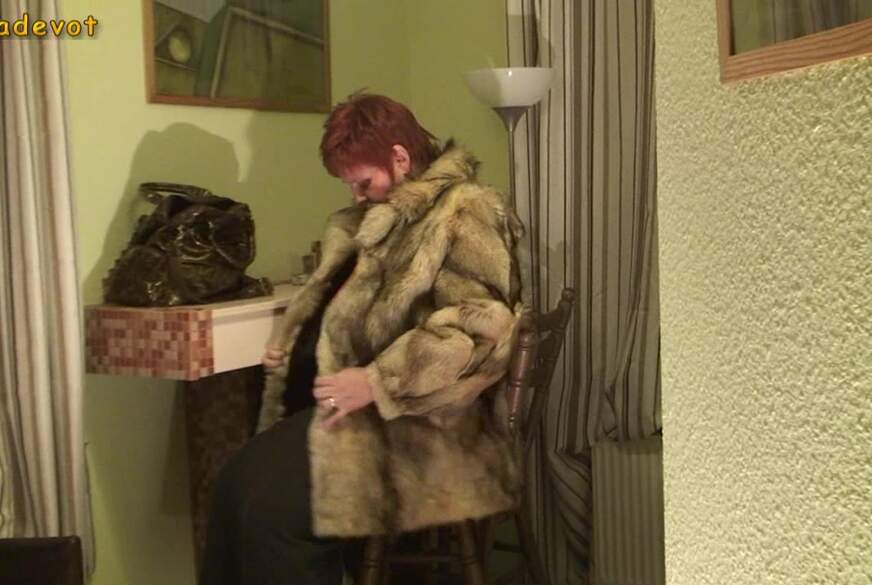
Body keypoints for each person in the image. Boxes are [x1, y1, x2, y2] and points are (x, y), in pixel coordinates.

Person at [200, 93, 524, 585]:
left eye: (362, 182)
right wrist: (295, 343)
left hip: (433, 424)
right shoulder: (382, 219)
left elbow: (482, 328)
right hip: (376, 413)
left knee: (273, 508)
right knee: (233, 484)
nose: (355, 196)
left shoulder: (465, 212)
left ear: (400, 158)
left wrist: (376, 381)